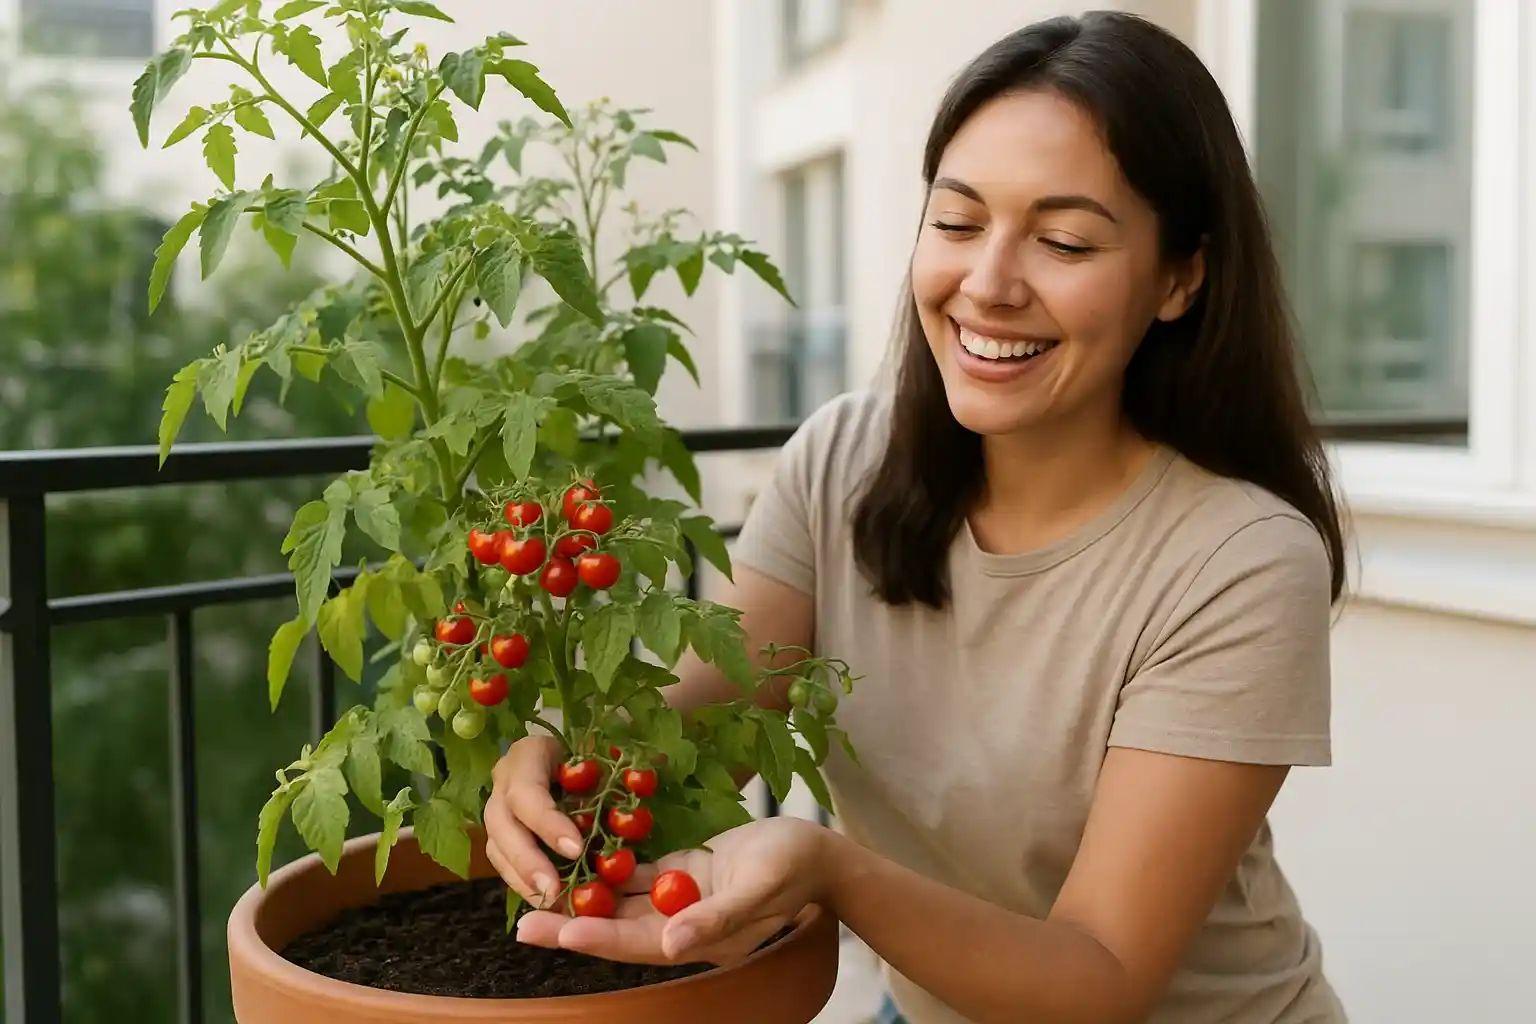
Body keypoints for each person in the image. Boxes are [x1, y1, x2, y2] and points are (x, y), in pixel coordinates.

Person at [486, 11, 1351, 1023]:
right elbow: (705, 703)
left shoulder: (1238, 562)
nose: (988, 285)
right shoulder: (842, 464)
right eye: (957, 222)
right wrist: (551, 743)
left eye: (1064, 239)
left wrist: (832, 869)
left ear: (1179, 277)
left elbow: (1099, 977)